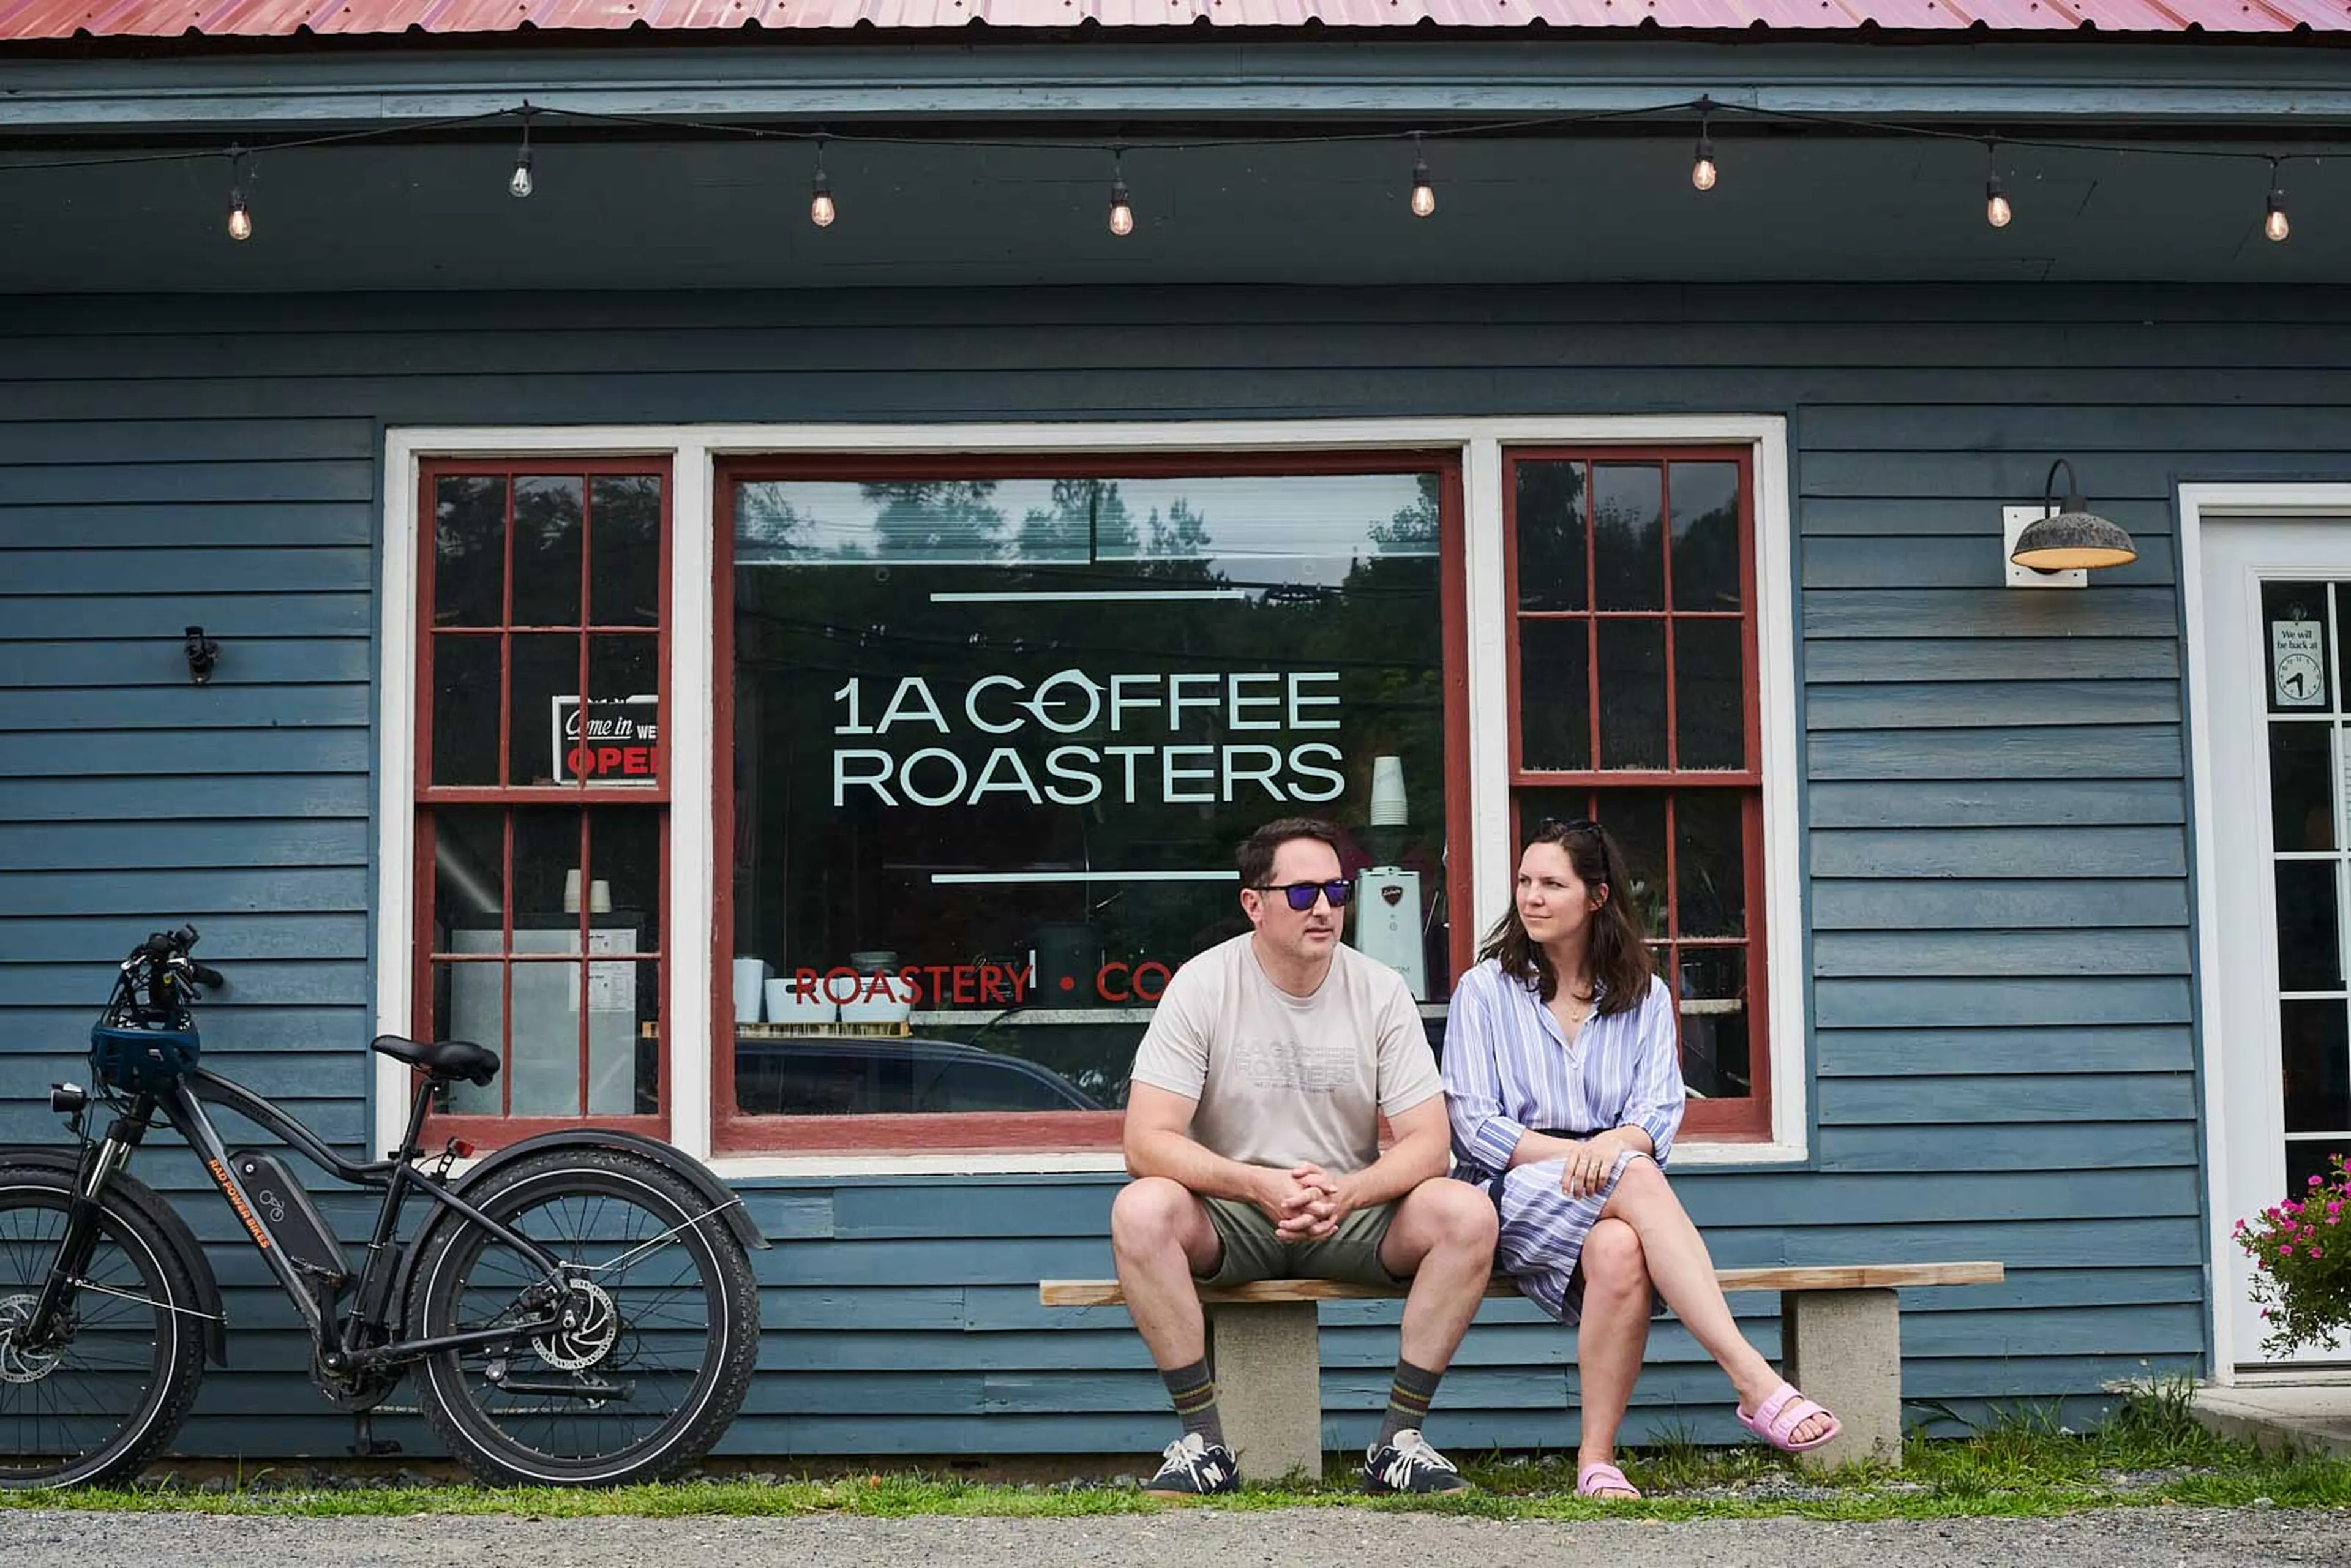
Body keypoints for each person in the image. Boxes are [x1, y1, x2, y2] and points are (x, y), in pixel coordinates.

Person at [1441, 817, 1840, 1501]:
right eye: (1525, 881)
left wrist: (1612, 1149)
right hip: (1503, 1195)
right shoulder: (1485, 989)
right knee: (1634, 1172)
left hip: (1613, 1187)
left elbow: (1658, 1113)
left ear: (1596, 897)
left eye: (1551, 883)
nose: (1531, 897)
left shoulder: (1644, 995)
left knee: (1623, 1248)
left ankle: (1596, 1462)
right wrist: (1592, 1154)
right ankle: (1752, 1377)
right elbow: (1476, 1126)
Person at [1113, 816, 1499, 1498]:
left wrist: (1350, 1193)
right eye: (1300, 893)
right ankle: (1205, 1445)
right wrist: (1255, 1184)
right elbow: (1146, 1140)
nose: (1323, 908)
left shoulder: (1379, 988)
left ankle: (1398, 1444)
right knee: (1141, 1209)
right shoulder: (1204, 984)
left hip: (1346, 1210)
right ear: (1253, 903)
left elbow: (1430, 1142)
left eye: (1336, 889)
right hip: (1231, 1211)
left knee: (1467, 1212)